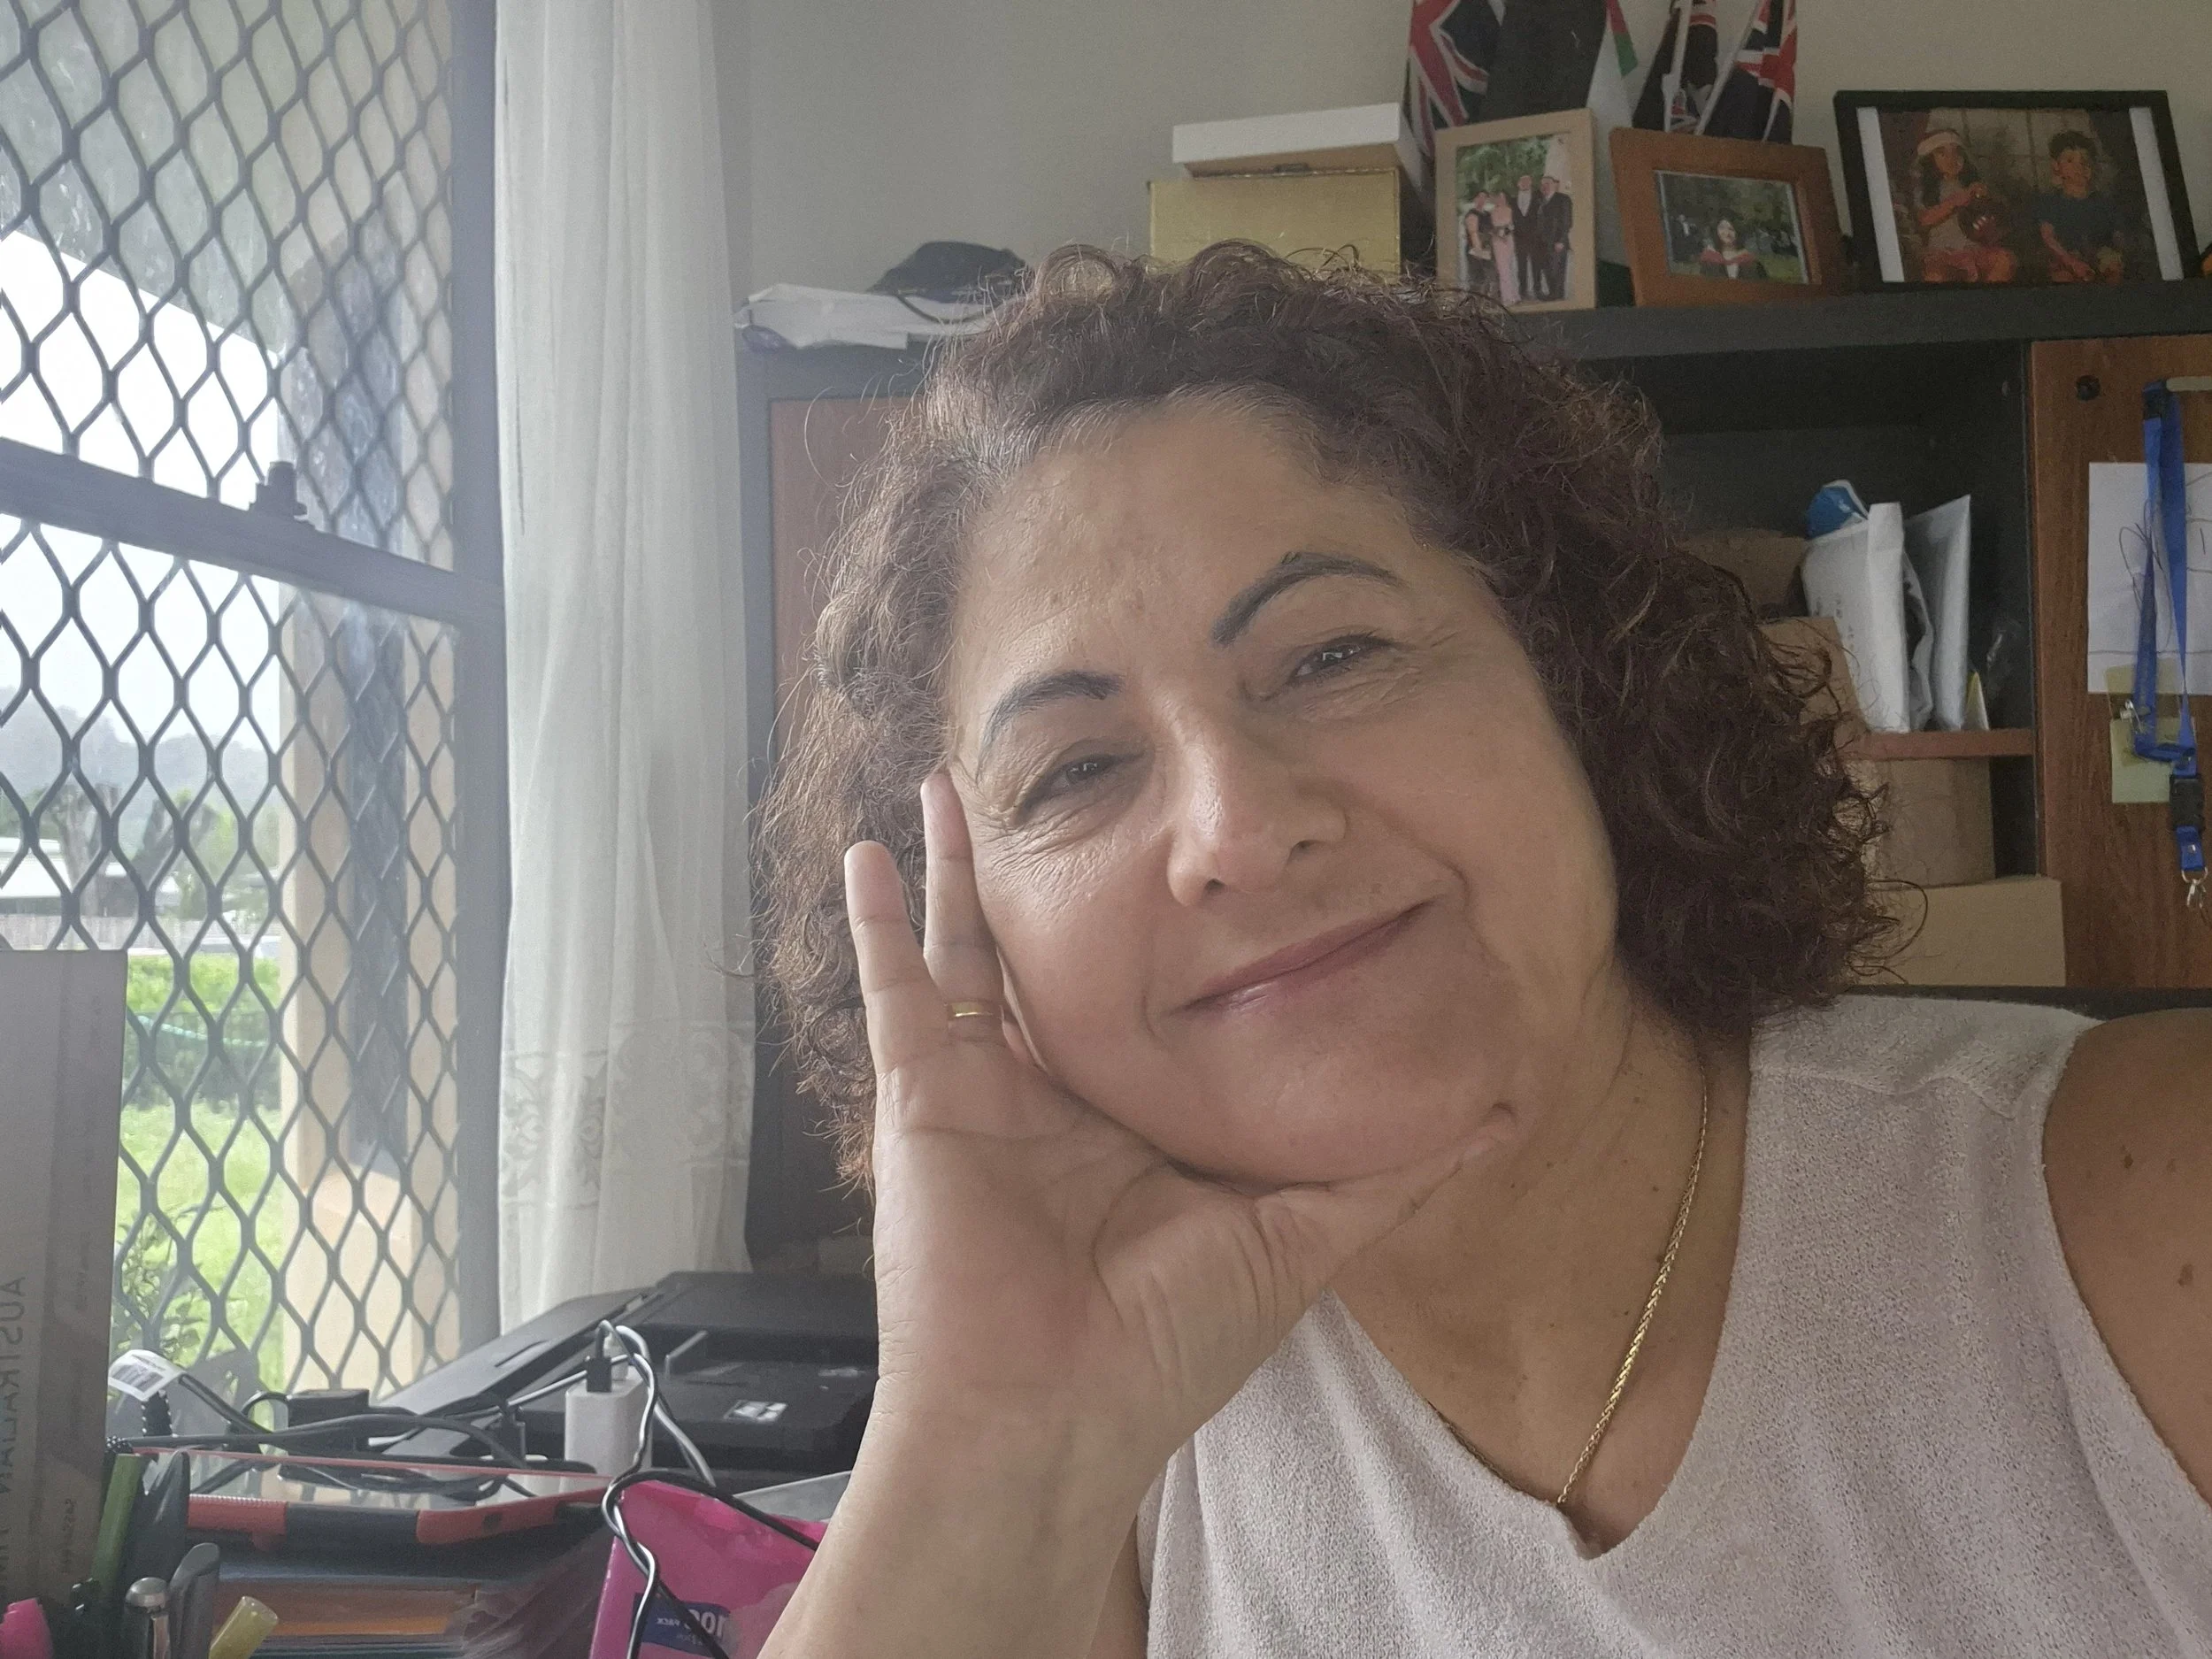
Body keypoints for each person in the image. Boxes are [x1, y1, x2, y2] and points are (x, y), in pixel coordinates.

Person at [755, 247, 2212, 1657]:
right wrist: (986, 1433)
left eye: (1333, 657)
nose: (1239, 829)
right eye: (1073, 771)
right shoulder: (1101, 1463)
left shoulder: (2135, 1222)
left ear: (1585, 693)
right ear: (978, 948)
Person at [1912, 127, 2017, 283]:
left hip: (1972, 249)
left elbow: (1993, 217)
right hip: (1943, 252)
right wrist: (1956, 201)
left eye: (1956, 152)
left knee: (2005, 260)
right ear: (1930, 159)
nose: (1952, 159)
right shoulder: (1926, 188)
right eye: (1942, 153)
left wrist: (1985, 201)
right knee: (1936, 277)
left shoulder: (1969, 183)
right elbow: (1924, 220)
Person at [2035, 128, 2127, 283]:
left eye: (2085, 162)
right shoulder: (2051, 201)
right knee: (2062, 278)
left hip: (2099, 258)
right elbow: (2048, 237)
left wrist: (2117, 253)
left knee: (2114, 269)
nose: (2079, 167)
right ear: (2056, 166)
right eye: (2070, 161)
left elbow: (2119, 236)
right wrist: (2071, 262)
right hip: (2064, 259)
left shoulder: (2104, 203)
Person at [1535, 173, 1573, 303]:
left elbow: (1567, 222)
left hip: (1557, 242)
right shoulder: (1541, 200)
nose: (1544, 187)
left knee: (1557, 270)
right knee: (1548, 269)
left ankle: (1557, 296)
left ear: (1554, 185)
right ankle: (1554, 294)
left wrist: (1561, 241)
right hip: (1543, 243)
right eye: (1542, 185)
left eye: (1547, 184)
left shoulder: (1563, 199)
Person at [1695, 217, 1763, 279]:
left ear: (1738, 233)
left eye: (1731, 229)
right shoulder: (1709, 257)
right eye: (1722, 228)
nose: (1727, 233)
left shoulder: (1748, 259)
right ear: (1716, 231)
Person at [1486, 190, 1521, 306]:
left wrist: (1506, 233)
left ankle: (1515, 295)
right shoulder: (1492, 212)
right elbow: (1491, 229)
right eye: (1498, 198)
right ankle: (1507, 298)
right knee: (1503, 269)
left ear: (1506, 198)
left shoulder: (1510, 210)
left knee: (1511, 267)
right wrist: (1500, 235)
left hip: (1509, 240)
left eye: (1502, 197)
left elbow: (1512, 225)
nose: (1500, 200)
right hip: (1498, 242)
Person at [1460, 196, 1498, 300]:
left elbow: (1492, 230)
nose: (1481, 200)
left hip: (1487, 249)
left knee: (1490, 275)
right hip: (1475, 249)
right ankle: (1473, 303)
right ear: (1475, 199)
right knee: (1476, 277)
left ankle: (1485, 300)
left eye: (1483, 198)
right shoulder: (1472, 214)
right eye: (1479, 198)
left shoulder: (1487, 214)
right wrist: (1478, 250)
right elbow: (1473, 233)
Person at [1510, 171, 1540, 300]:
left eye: (1527, 181)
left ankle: (1537, 290)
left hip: (1534, 238)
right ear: (1518, 184)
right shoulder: (1512, 200)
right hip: (1519, 238)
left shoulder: (1538, 198)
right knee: (1521, 266)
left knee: (1536, 265)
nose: (1524, 184)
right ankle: (1523, 291)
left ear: (1531, 183)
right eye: (1522, 182)